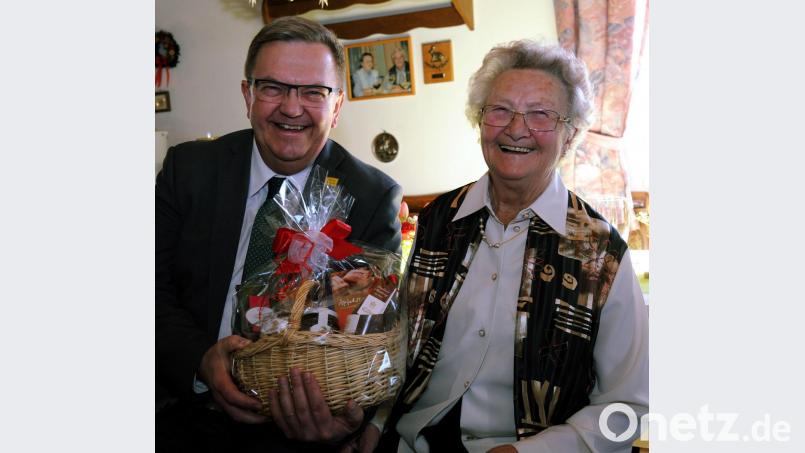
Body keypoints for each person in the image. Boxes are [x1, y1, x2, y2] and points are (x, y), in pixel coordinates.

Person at [346, 40, 649, 452]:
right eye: (500, 110)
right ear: (480, 120)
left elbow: (627, 407)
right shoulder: (437, 221)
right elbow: (403, 348)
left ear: (571, 132)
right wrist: (375, 424)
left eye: (540, 114)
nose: (516, 129)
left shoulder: (600, 252)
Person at [155, 16, 403, 451]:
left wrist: (342, 421)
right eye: (273, 87)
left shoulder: (371, 197)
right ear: (247, 95)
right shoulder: (188, 169)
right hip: (184, 406)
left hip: (296, 430)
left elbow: (374, 335)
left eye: (313, 92)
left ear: (338, 106)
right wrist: (201, 362)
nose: (292, 108)